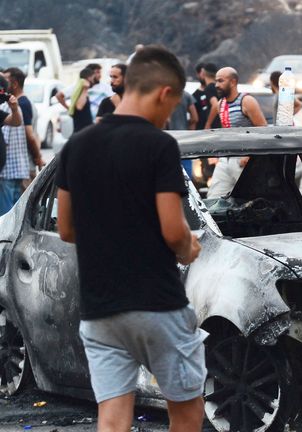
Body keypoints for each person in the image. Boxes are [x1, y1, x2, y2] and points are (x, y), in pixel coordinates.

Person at [55, 45, 204, 432]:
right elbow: (173, 230)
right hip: (157, 304)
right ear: (164, 93)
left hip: (100, 308)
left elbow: (66, 229)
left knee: (112, 418)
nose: (167, 117)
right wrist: (190, 248)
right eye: (169, 109)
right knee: (187, 411)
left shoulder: (77, 145)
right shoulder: (159, 146)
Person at [206, 66, 267, 199]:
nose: (217, 85)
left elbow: (263, 130)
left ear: (233, 82)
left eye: (221, 81)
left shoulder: (247, 101)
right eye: (216, 81)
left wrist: (250, 156)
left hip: (244, 160)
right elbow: (226, 132)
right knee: (214, 199)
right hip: (226, 159)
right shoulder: (220, 104)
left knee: (250, 200)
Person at [0, 69, 37, 214]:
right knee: (10, 213)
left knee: (10, 214)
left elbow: (15, 123)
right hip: (11, 171)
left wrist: (14, 109)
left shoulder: (12, 106)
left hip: (9, 171)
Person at [56, 67, 97, 133]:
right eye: (93, 77)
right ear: (89, 77)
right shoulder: (79, 87)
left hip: (85, 129)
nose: (93, 80)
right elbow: (79, 107)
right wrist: (69, 108)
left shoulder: (80, 87)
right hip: (82, 130)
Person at [192, 63, 219, 130]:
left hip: (211, 127)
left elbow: (215, 105)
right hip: (219, 126)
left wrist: (208, 123)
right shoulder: (219, 88)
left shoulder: (209, 88)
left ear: (204, 73)